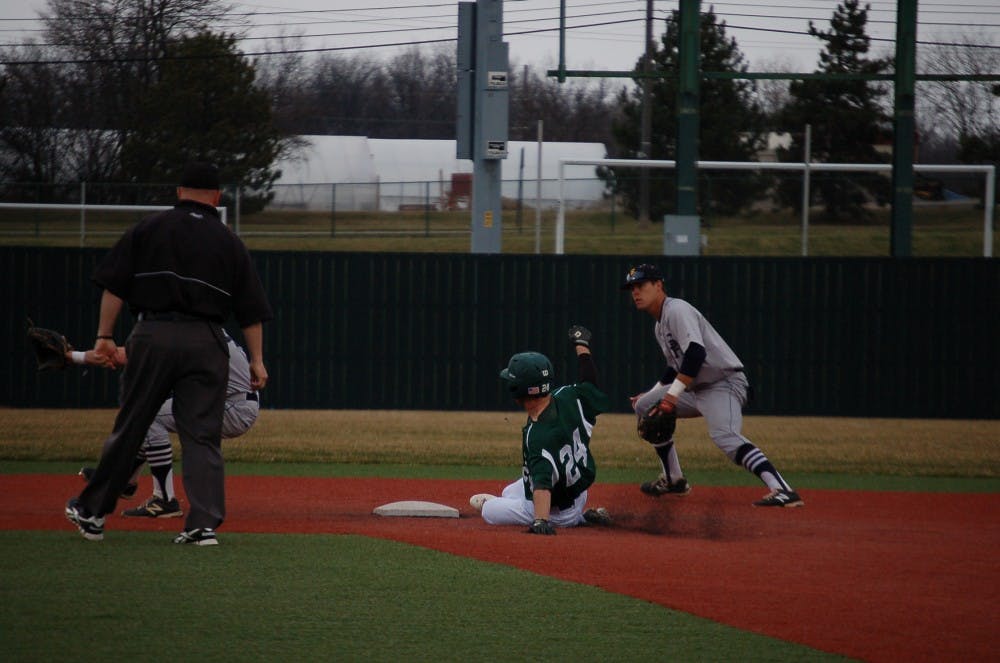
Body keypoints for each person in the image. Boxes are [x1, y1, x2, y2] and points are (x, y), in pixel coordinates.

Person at [64, 161, 273, 546]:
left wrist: (104, 336)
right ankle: (201, 525)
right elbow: (251, 310)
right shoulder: (229, 241)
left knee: (133, 425)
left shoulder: (149, 228)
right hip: (207, 340)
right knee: (202, 435)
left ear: (178, 192)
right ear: (217, 197)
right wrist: (257, 359)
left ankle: (93, 513)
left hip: (154, 331)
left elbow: (113, 284)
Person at [621, 263, 803, 507]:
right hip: (696, 388)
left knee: (724, 435)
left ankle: (782, 489)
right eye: (632, 287)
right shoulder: (659, 325)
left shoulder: (677, 310)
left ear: (659, 285)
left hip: (724, 383)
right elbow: (676, 367)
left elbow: (696, 354)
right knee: (645, 406)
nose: (635, 291)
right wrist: (655, 393)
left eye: (641, 285)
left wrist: (670, 397)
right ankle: (674, 479)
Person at [72, 333, 260, 518]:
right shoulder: (206, 330)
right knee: (148, 416)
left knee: (151, 416)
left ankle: (164, 499)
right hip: (230, 403)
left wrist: (74, 356)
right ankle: (125, 482)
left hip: (233, 408)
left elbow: (134, 355)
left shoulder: (197, 334)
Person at [470, 325, 612, 533]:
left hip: (556, 513)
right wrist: (582, 345)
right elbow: (589, 382)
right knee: (509, 491)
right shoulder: (568, 396)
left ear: (518, 389)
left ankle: (575, 519)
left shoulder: (537, 435)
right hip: (579, 493)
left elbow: (543, 484)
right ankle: (579, 514)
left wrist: (541, 521)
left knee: (489, 511)